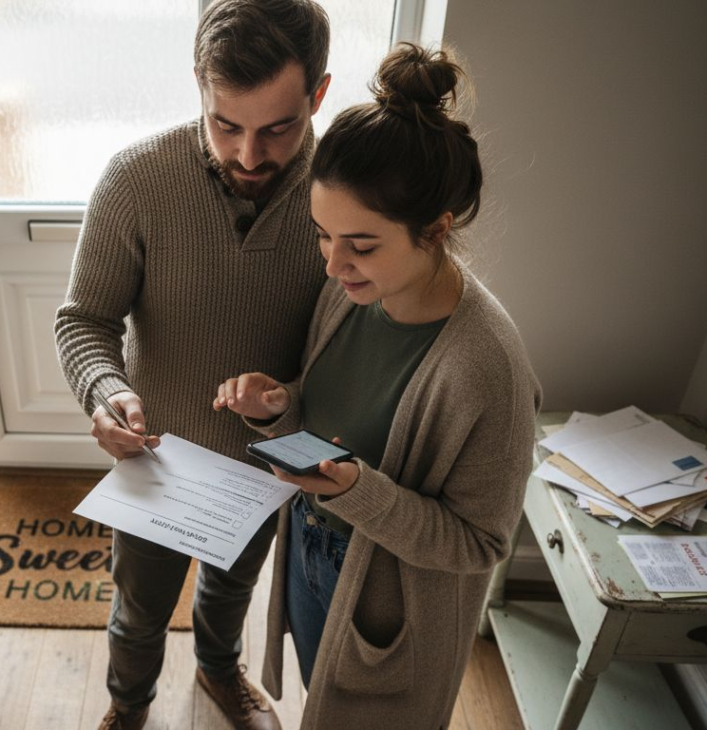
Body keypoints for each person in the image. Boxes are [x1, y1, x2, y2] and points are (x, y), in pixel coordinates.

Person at [214, 43, 542, 729]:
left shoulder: (487, 369)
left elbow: (478, 545)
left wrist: (356, 493)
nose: (333, 266)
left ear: (436, 229)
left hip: (385, 603)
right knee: (319, 698)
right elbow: (334, 419)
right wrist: (280, 406)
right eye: (322, 236)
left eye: (360, 245)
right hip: (309, 545)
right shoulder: (350, 294)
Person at [55, 2, 332, 727]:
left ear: (319, 95)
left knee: (230, 591)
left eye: (277, 128)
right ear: (198, 87)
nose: (249, 155)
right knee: (137, 610)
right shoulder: (137, 180)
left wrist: (287, 399)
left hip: (265, 466)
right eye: (224, 124)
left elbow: (347, 352)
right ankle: (128, 707)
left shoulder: (344, 194)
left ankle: (217, 669)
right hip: (155, 460)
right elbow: (84, 320)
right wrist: (105, 391)